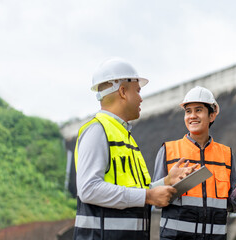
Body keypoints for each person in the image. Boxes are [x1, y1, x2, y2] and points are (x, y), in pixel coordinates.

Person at [73, 57, 196, 240]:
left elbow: (135, 190)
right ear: (123, 91)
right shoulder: (97, 131)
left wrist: (166, 181)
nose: (141, 98)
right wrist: (148, 196)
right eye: (137, 91)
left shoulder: (123, 135)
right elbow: (89, 189)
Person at [153, 86, 236, 240]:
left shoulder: (226, 154)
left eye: (199, 110)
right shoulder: (168, 150)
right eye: (188, 111)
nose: (192, 116)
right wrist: (170, 183)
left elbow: (232, 206)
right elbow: (155, 201)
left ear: (212, 115)